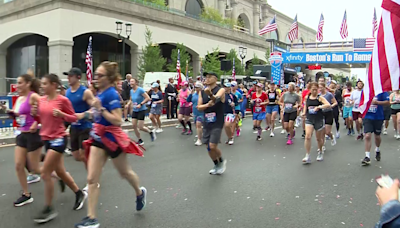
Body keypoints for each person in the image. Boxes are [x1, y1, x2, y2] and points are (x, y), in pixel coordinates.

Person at [74, 61, 146, 228]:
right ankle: (92, 218)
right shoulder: (100, 92)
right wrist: (78, 116)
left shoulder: (111, 95)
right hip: (98, 139)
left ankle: (139, 192)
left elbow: (117, 120)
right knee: (92, 178)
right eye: (96, 75)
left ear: (110, 77)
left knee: (125, 173)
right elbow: (95, 113)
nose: (96, 78)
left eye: (100, 75)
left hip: (112, 140)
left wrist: (101, 109)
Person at [33, 74, 87, 223]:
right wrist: (35, 115)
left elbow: (74, 118)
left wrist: (62, 114)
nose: (42, 87)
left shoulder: (62, 100)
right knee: (61, 172)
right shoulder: (42, 100)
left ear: (53, 85)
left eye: (45, 84)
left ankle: (49, 208)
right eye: (41, 84)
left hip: (58, 139)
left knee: (45, 173)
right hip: (47, 139)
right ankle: (78, 193)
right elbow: (42, 119)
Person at [11, 74, 42, 207]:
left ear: (28, 84)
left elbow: (45, 109)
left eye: (20, 82)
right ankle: (26, 194)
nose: (17, 86)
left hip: (33, 135)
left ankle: (60, 175)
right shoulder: (19, 98)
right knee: (19, 165)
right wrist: (10, 112)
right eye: (17, 83)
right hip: (22, 134)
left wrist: (37, 122)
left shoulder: (33, 96)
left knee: (35, 168)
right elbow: (19, 115)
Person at [64, 67, 96, 192]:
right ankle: (94, 166)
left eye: (70, 76)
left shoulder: (85, 92)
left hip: (85, 127)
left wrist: (83, 114)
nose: (68, 78)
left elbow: (95, 109)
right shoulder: (67, 92)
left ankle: (92, 181)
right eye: (68, 75)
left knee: (84, 155)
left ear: (78, 77)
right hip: (74, 128)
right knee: (77, 156)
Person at [197, 72, 227, 175]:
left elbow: (216, 98)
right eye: (206, 77)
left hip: (217, 121)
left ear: (215, 78)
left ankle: (221, 162)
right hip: (207, 121)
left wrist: (210, 94)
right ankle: (216, 164)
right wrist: (207, 104)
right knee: (208, 147)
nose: (207, 79)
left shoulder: (221, 90)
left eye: (209, 77)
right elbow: (199, 107)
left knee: (212, 146)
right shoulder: (201, 92)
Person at [301, 82, 331, 164]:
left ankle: (320, 152)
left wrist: (319, 107)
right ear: (310, 89)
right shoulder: (307, 97)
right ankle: (307, 155)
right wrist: (303, 113)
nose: (314, 91)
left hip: (318, 119)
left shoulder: (319, 98)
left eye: (315, 89)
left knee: (318, 138)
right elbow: (305, 106)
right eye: (312, 89)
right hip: (309, 118)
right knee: (308, 136)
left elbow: (328, 104)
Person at [361, 91, 390, 166]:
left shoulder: (382, 91)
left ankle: (377, 149)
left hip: (378, 117)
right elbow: (361, 102)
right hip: (367, 116)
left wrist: (377, 102)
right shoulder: (366, 90)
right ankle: (367, 156)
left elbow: (388, 102)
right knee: (367, 135)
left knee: (377, 136)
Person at [125, 78, 156, 145]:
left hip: (141, 110)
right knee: (133, 125)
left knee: (140, 127)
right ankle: (140, 140)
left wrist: (141, 104)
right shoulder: (131, 91)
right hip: (135, 110)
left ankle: (150, 132)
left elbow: (147, 98)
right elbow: (131, 99)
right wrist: (128, 104)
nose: (131, 83)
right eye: (130, 82)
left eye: (132, 81)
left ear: (136, 82)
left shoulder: (140, 90)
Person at [319, 82, 338, 146]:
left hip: (329, 113)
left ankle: (332, 136)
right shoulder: (319, 95)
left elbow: (335, 102)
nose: (320, 89)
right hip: (321, 113)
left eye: (321, 87)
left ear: (325, 87)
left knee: (327, 132)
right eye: (319, 88)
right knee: (322, 131)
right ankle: (322, 145)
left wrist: (331, 106)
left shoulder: (329, 94)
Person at [187, 81, 204, 146]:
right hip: (195, 112)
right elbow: (188, 100)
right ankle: (200, 133)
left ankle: (199, 140)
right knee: (196, 125)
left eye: (198, 87)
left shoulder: (203, 95)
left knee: (198, 124)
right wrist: (190, 94)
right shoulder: (193, 94)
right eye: (195, 87)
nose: (196, 89)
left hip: (202, 112)